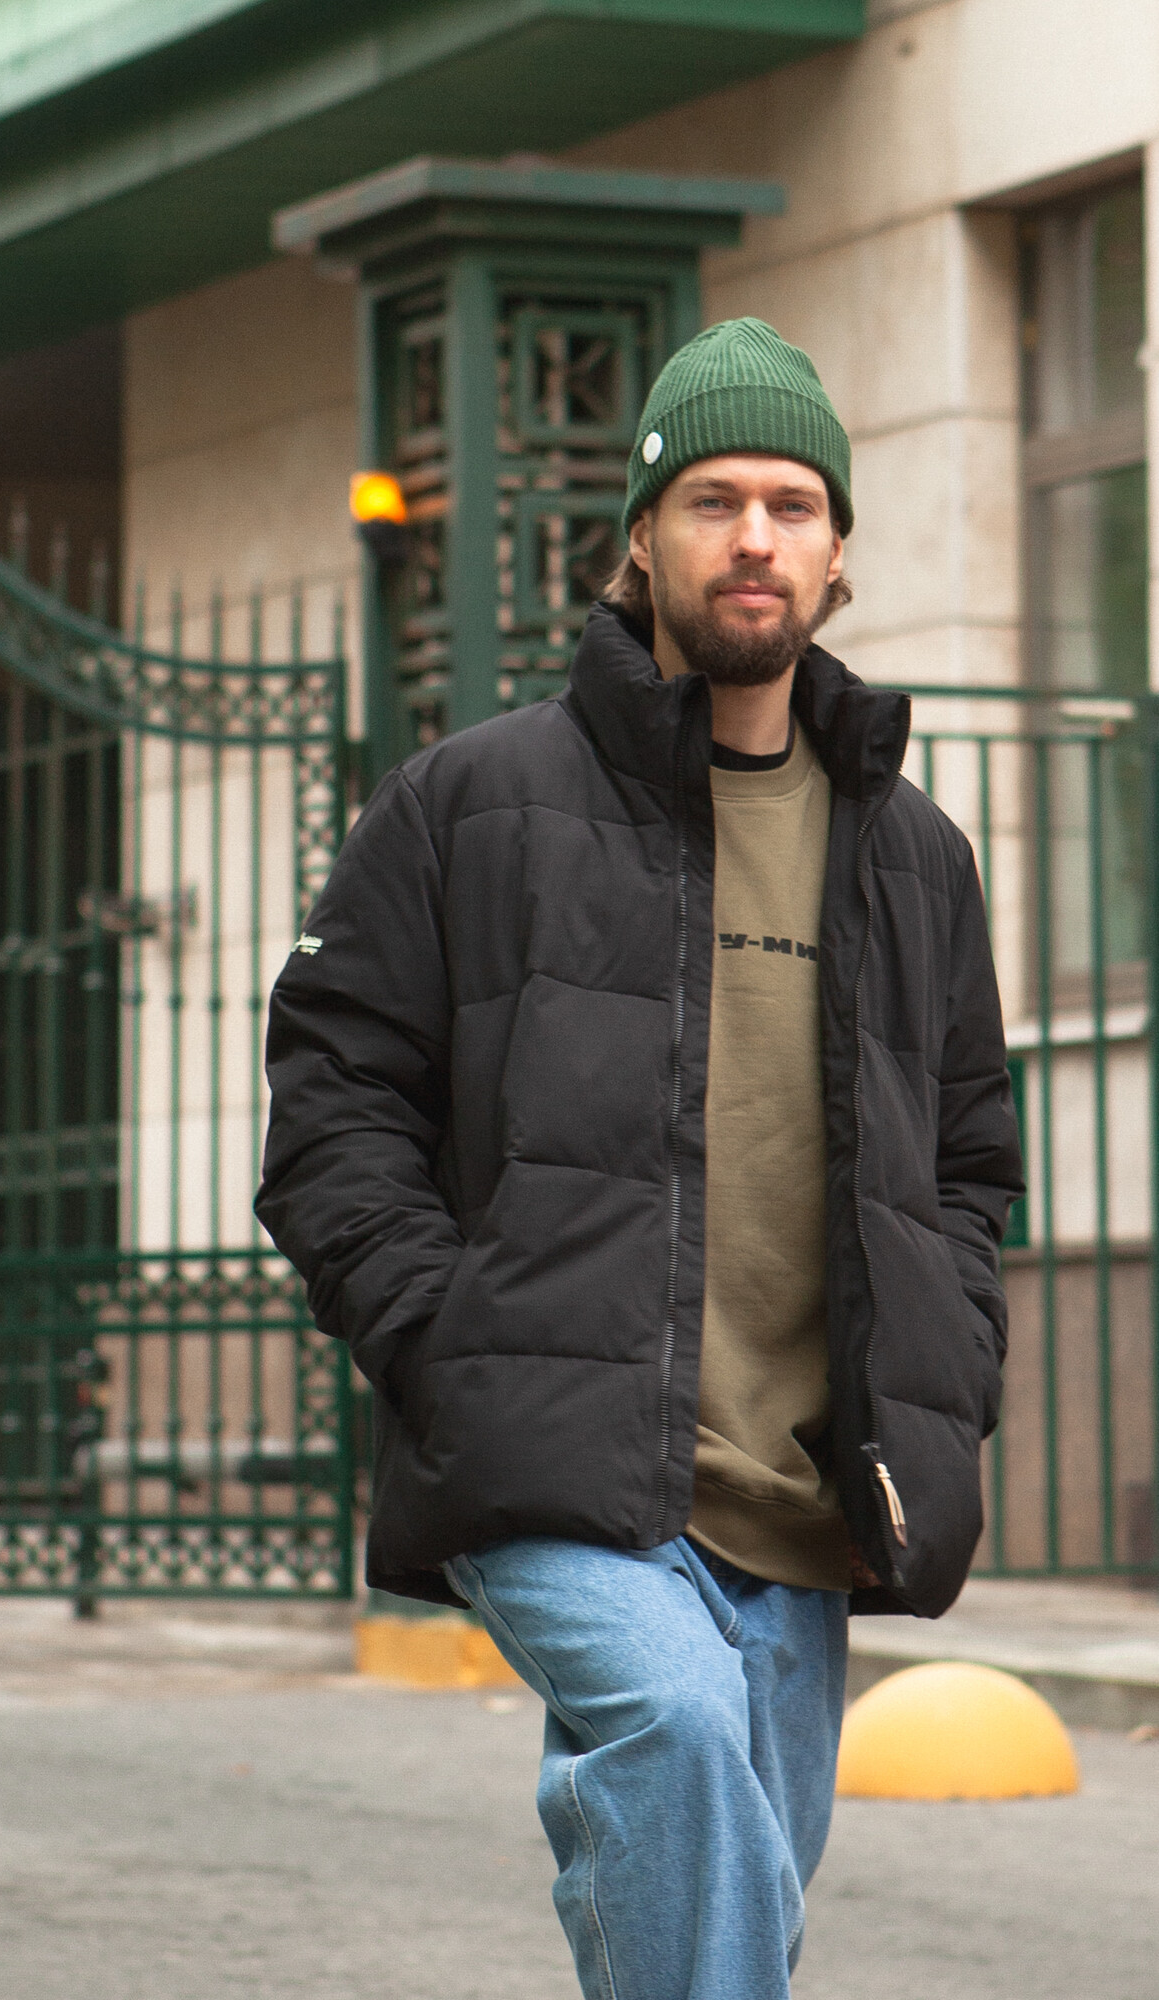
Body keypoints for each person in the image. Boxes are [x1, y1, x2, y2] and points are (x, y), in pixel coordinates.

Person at [257, 318, 1024, 1999]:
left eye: (791, 506)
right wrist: (445, 1336)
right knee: (672, 1739)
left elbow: (971, 1160)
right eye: (712, 500)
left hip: (806, 1495)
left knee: (726, 1908)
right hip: (552, 1450)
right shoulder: (469, 803)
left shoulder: (913, 855)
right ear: (643, 536)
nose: (753, 537)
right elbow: (330, 1100)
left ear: (835, 554)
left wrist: (942, 1371)